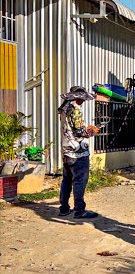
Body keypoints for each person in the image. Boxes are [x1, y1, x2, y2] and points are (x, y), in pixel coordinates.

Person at [57, 86, 100, 219]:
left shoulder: (64, 109)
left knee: (67, 181)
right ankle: (79, 210)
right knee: (79, 181)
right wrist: (92, 131)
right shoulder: (75, 109)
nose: (84, 101)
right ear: (79, 98)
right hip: (78, 152)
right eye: (83, 98)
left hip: (66, 150)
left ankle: (64, 207)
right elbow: (78, 132)